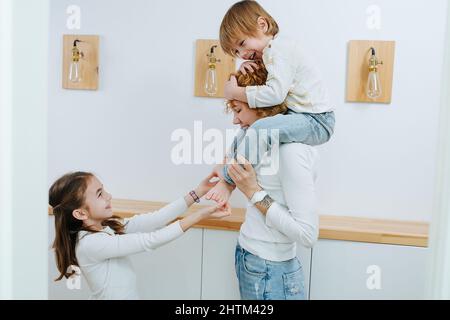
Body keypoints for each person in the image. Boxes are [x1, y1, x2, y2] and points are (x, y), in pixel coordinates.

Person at [206, 0, 334, 204]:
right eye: (236, 53)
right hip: (299, 116)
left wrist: (235, 91)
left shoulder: (280, 49)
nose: (242, 55)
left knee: (260, 129)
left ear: (263, 25)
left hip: (317, 121)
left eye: (242, 44)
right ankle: (227, 165)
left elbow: (275, 94)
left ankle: (229, 180)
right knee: (250, 129)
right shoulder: (271, 54)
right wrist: (252, 64)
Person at [215, 63, 319, 300]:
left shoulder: (290, 151)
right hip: (249, 255)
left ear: (261, 106)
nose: (234, 120)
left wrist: (253, 192)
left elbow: (307, 235)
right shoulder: (259, 142)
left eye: (238, 110)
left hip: (270, 270)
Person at [49, 171, 230, 299]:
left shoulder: (107, 227)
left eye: (104, 190)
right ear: (80, 213)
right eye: (99, 194)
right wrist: (199, 215)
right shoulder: (91, 244)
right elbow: (150, 240)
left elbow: (156, 219)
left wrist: (197, 192)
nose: (109, 195)